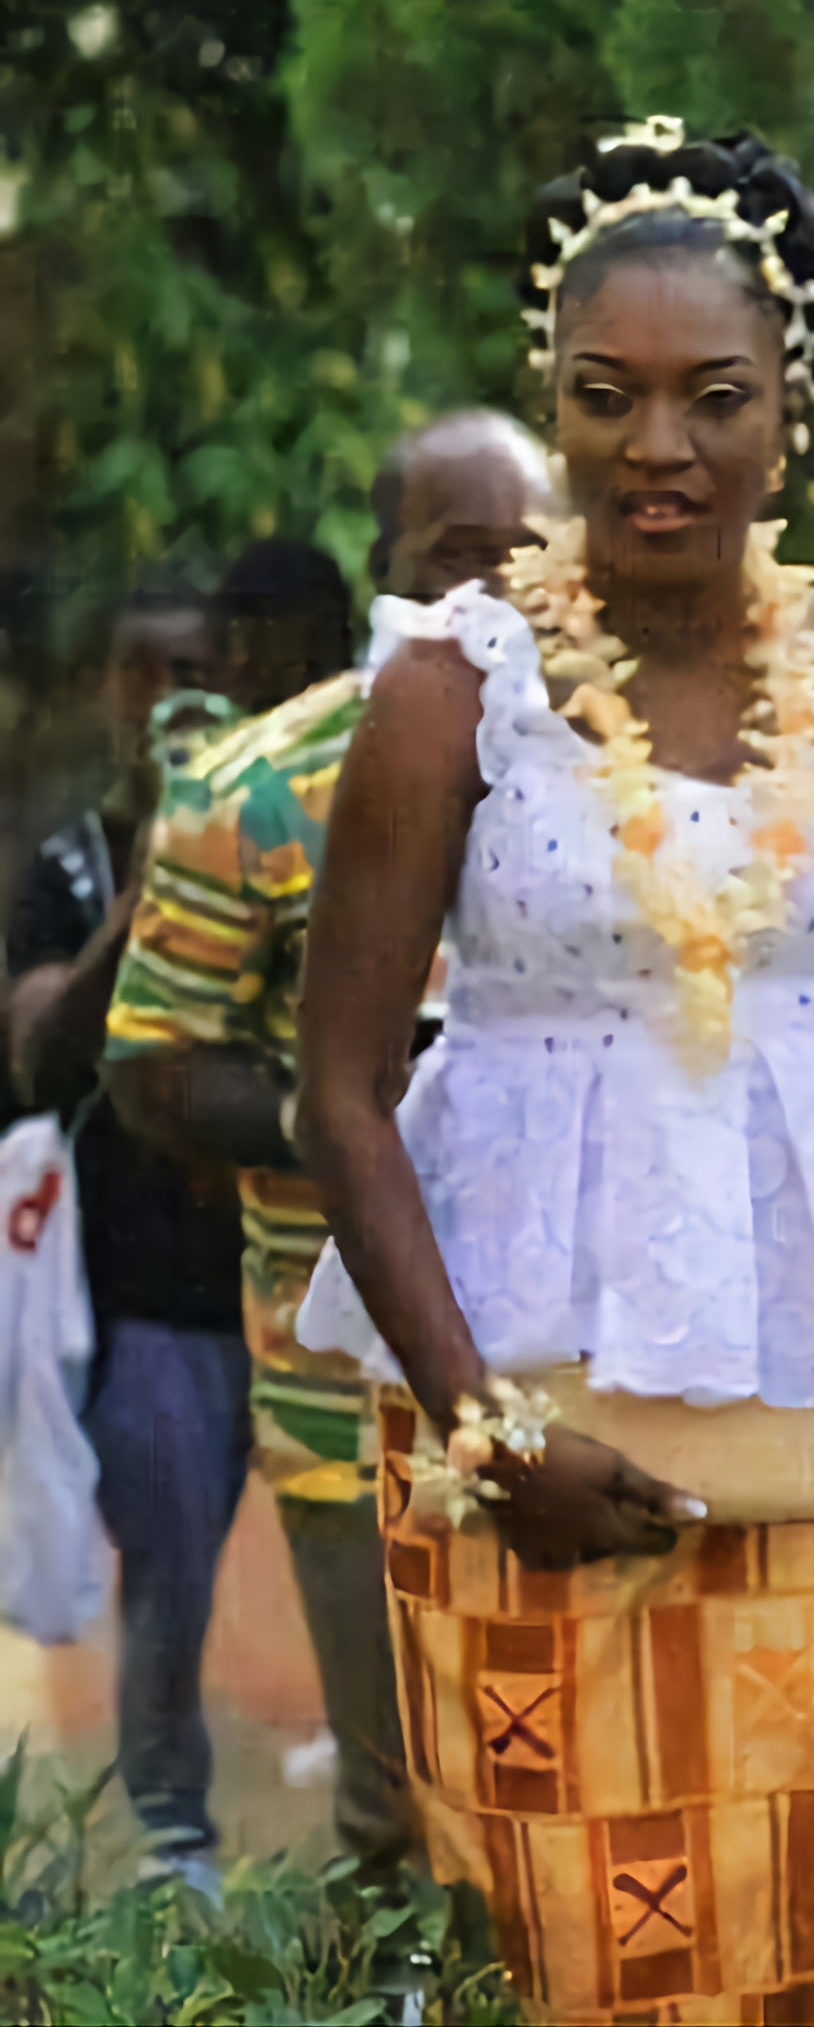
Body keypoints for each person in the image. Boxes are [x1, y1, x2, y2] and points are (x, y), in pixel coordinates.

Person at [292, 124, 814, 2024]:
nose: (657, 447)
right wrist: (480, 1427)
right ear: (554, 405)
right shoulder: (454, 685)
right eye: (604, 399)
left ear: (796, 409)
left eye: (715, 398)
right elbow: (341, 1091)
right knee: (574, 1916)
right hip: (524, 1391)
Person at [101, 434, 547, 1876]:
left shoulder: (638, 780)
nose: (497, 588)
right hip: (345, 1396)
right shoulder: (261, 785)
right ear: (386, 571)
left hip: (592, 1369)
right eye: (456, 555)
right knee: (402, 1815)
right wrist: (344, 1114)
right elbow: (150, 1066)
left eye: (525, 553)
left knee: (587, 1803)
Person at [5, 577, 250, 1887]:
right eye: (140, 673)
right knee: (171, 1568)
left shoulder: (282, 832)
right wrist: (144, 886)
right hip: (139, 1291)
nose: (166, 704)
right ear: (107, 690)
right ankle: (172, 1833)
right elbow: (40, 1055)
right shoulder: (64, 865)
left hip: (280, 1276)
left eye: (194, 674)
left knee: (215, 1564)